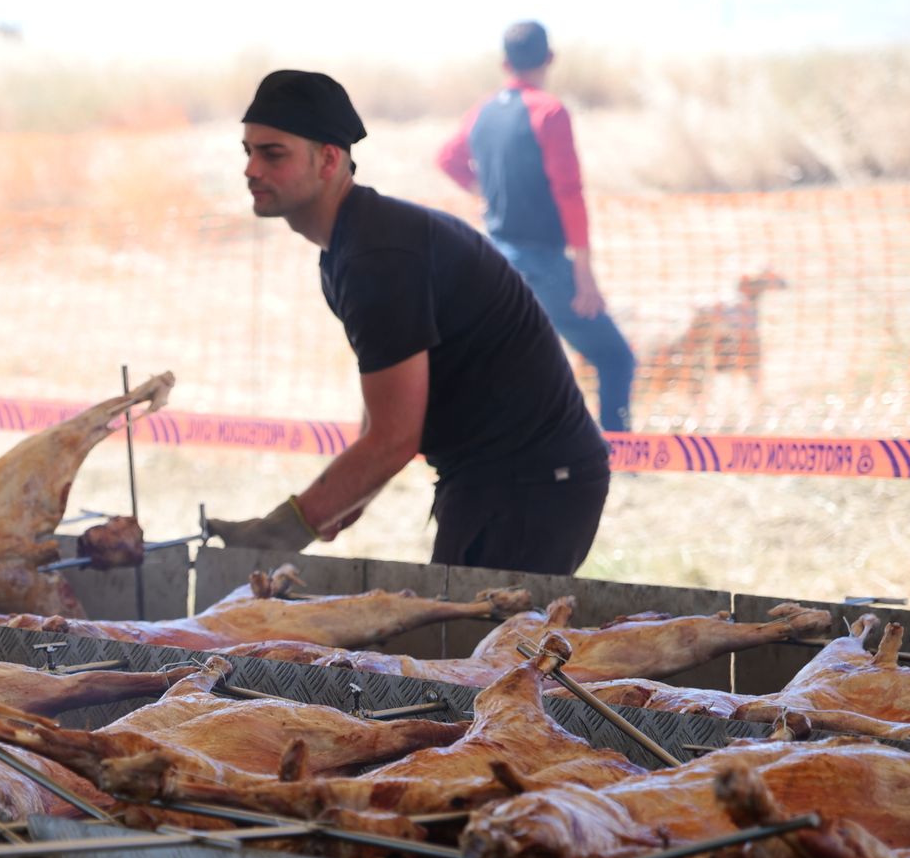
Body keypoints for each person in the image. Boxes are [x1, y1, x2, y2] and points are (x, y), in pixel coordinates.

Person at [207, 70, 610, 576]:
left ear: (329, 159)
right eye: (247, 152)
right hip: (496, 477)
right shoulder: (348, 250)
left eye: (273, 153)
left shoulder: (377, 256)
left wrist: (281, 530)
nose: (250, 169)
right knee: (461, 647)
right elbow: (385, 403)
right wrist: (344, 500)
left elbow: (396, 438)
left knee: (480, 654)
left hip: (533, 482)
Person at [436, 21, 636, 434]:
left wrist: (487, 192)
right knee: (615, 358)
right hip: (541, 262)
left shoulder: (483, 112)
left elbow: (447, 159)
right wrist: (583, 273)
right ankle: (621, 457)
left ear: (504, 63)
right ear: (550, 59)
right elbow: (569, 192)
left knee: (518, 364)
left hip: (493, 259)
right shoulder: (549, 111)